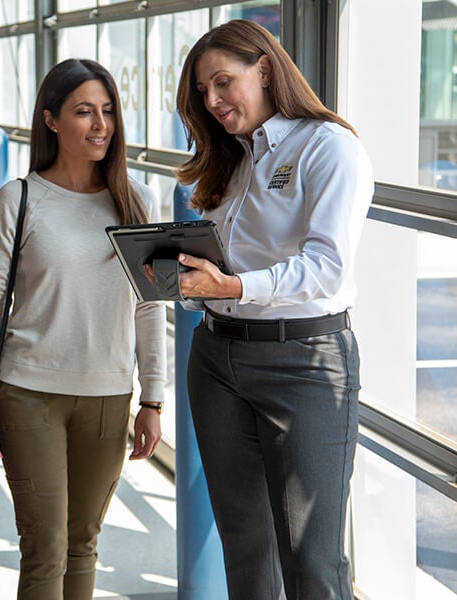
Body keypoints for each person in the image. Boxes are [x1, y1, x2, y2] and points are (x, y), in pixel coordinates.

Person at [171, 19, 374, 600]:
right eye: (202, 94)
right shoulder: (231, 160)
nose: (212, 102)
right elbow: (230, 256)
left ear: (264, 67)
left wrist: (231, 288)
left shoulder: (328, 147)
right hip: (216, 359)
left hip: (305, 365)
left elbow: (327, 268)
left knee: (312, 559)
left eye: (222, 82)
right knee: (245, 548)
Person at [0, 58, 167, 600]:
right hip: (29, 394)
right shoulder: (18, 199)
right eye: (84, 112)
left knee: (83, 543)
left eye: (108, 111)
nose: (100, 125)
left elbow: (151, 306)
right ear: (51, 120)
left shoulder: (134, 201)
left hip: (107, 395)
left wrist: (154, 400)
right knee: (46, 547)